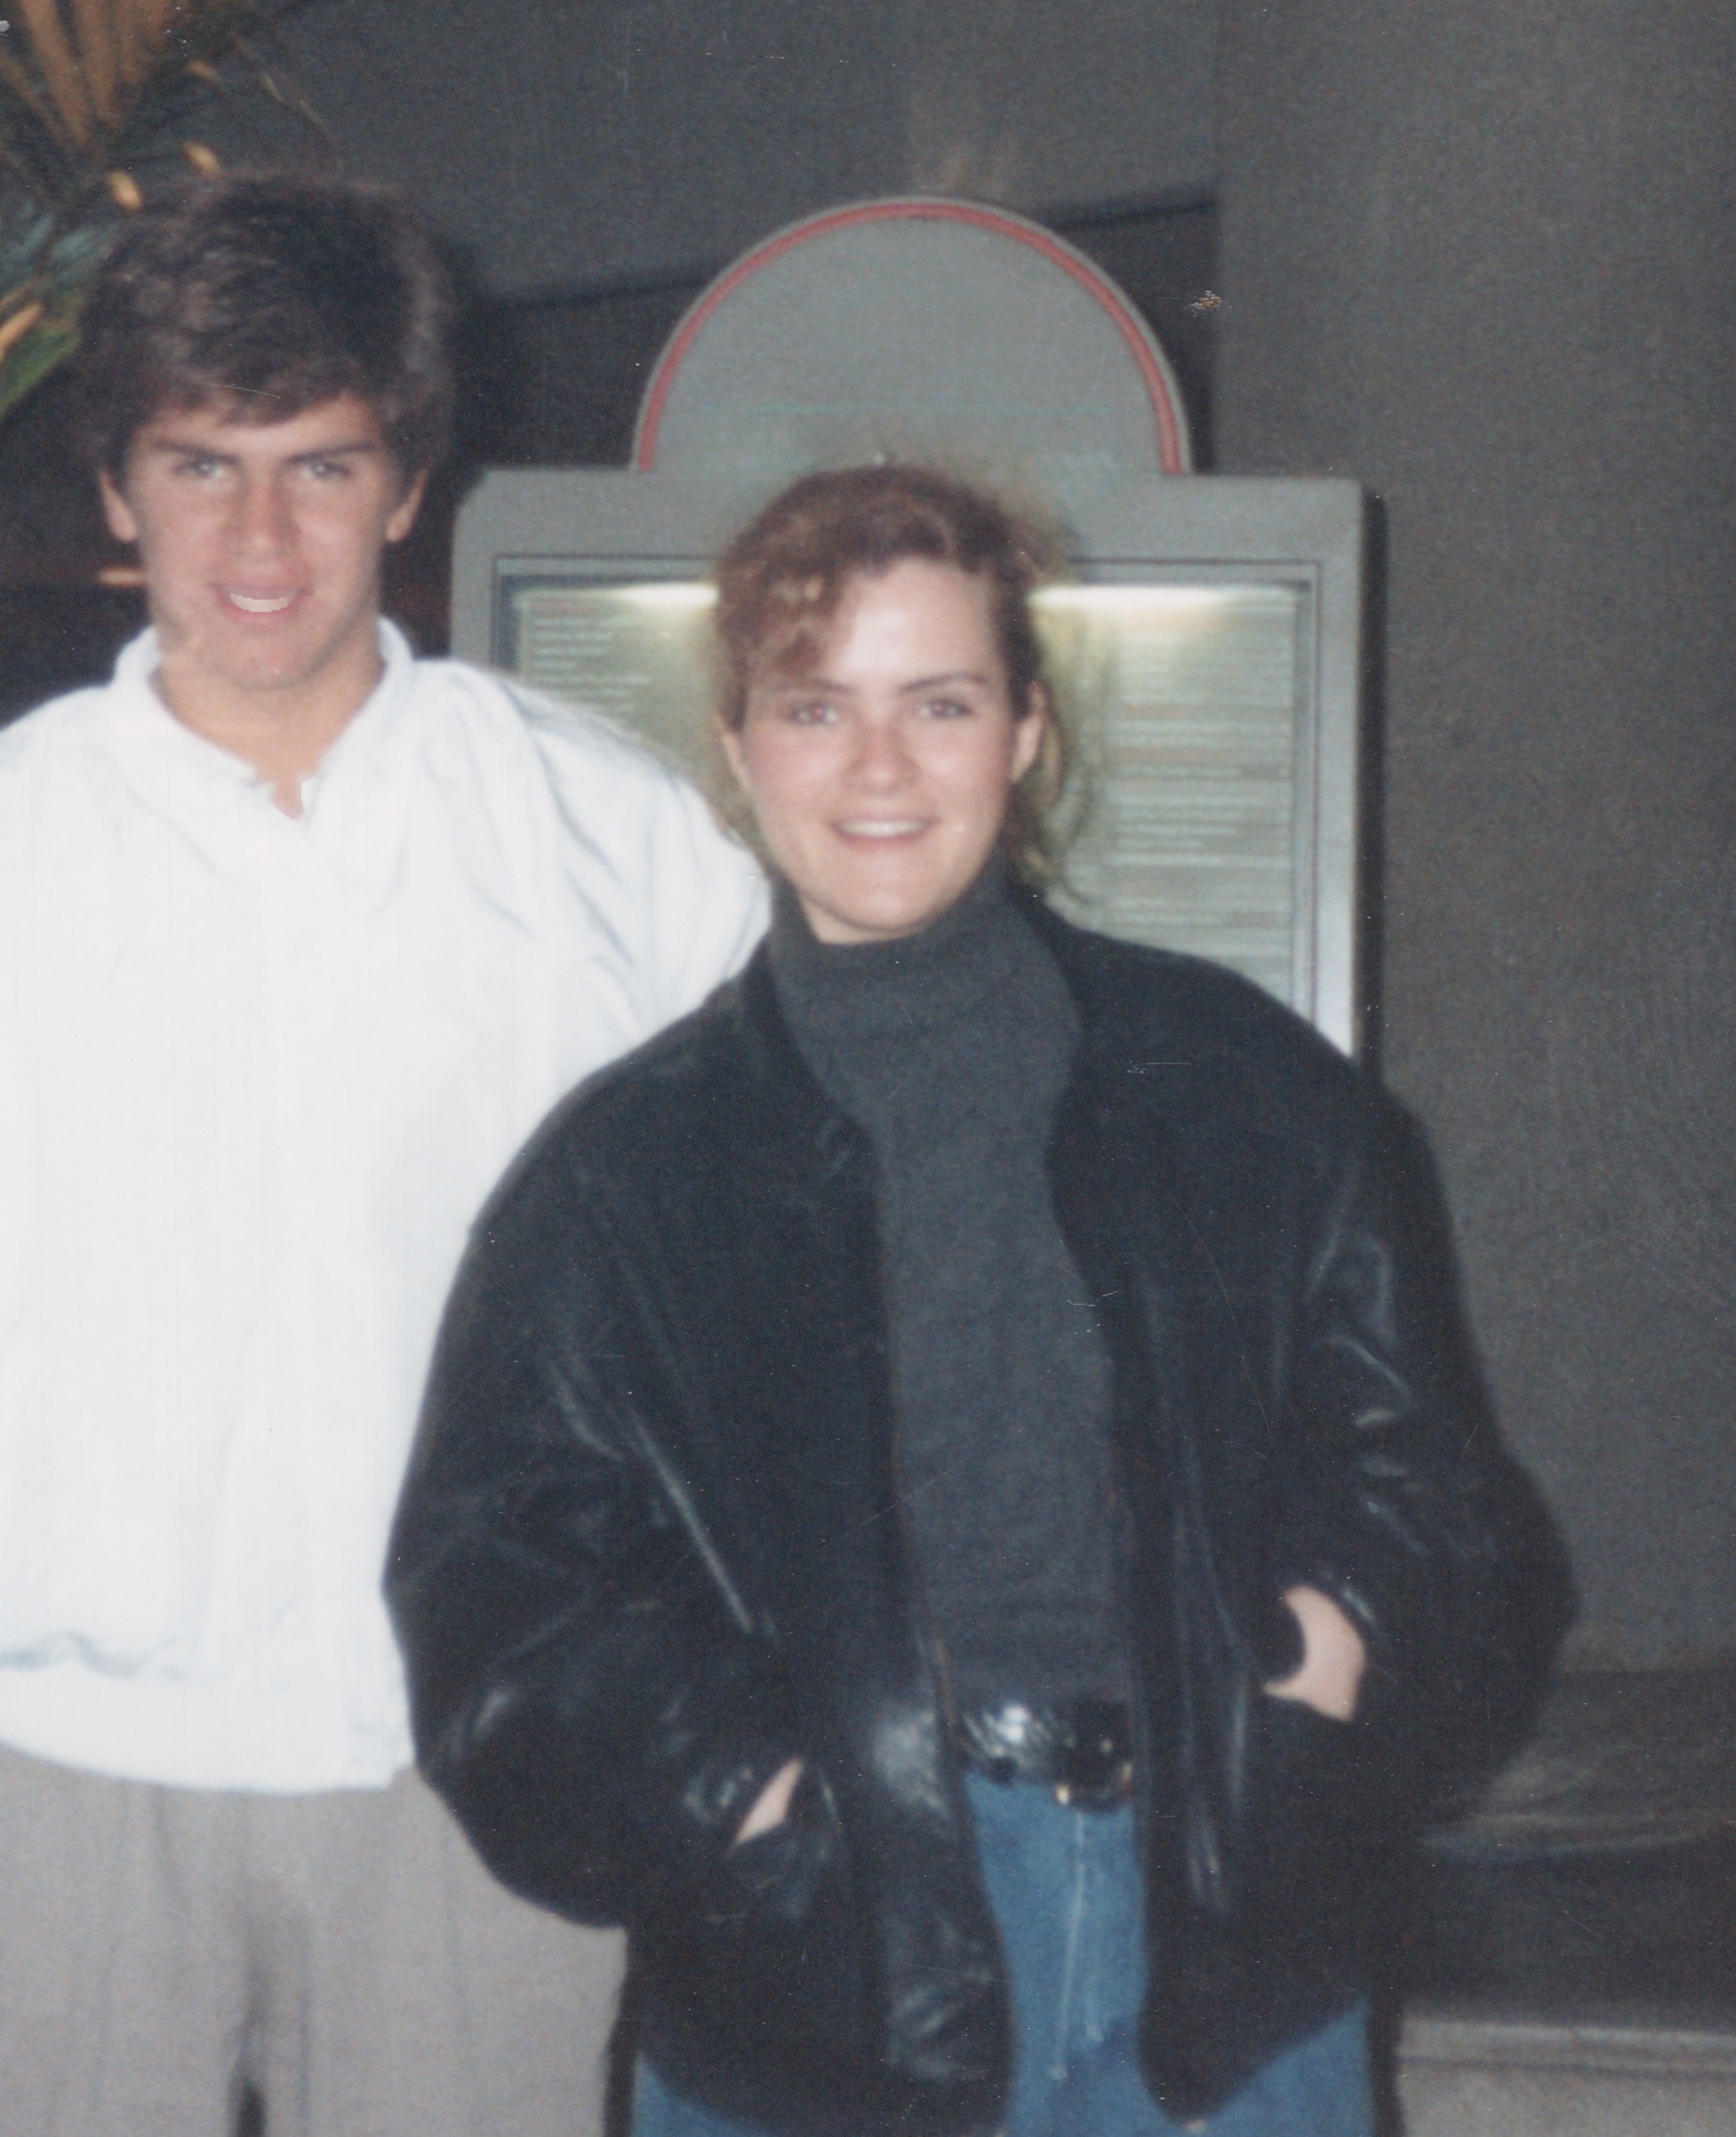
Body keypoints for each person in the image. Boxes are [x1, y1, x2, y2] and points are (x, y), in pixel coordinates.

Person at [0, 173, 764, 2137]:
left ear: (409, 480)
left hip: (478, 1774)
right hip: (51, 1796)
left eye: (319, 464)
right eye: (199, 465)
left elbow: (755, 1329)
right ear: (116, 491)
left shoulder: (613, 854)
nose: (261, 538)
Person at [388, 465, 1571, 2137]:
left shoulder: (1243, 1088)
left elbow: (1439, 1489)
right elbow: (495, 1590)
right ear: (737, 747)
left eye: (936, 702)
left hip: (1224, 1940)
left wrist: (1316, 1655)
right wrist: (754, 1794)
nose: (878, 765)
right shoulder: (624, 1172)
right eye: (817, 706)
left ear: (1021, 730)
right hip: (819, 1966)